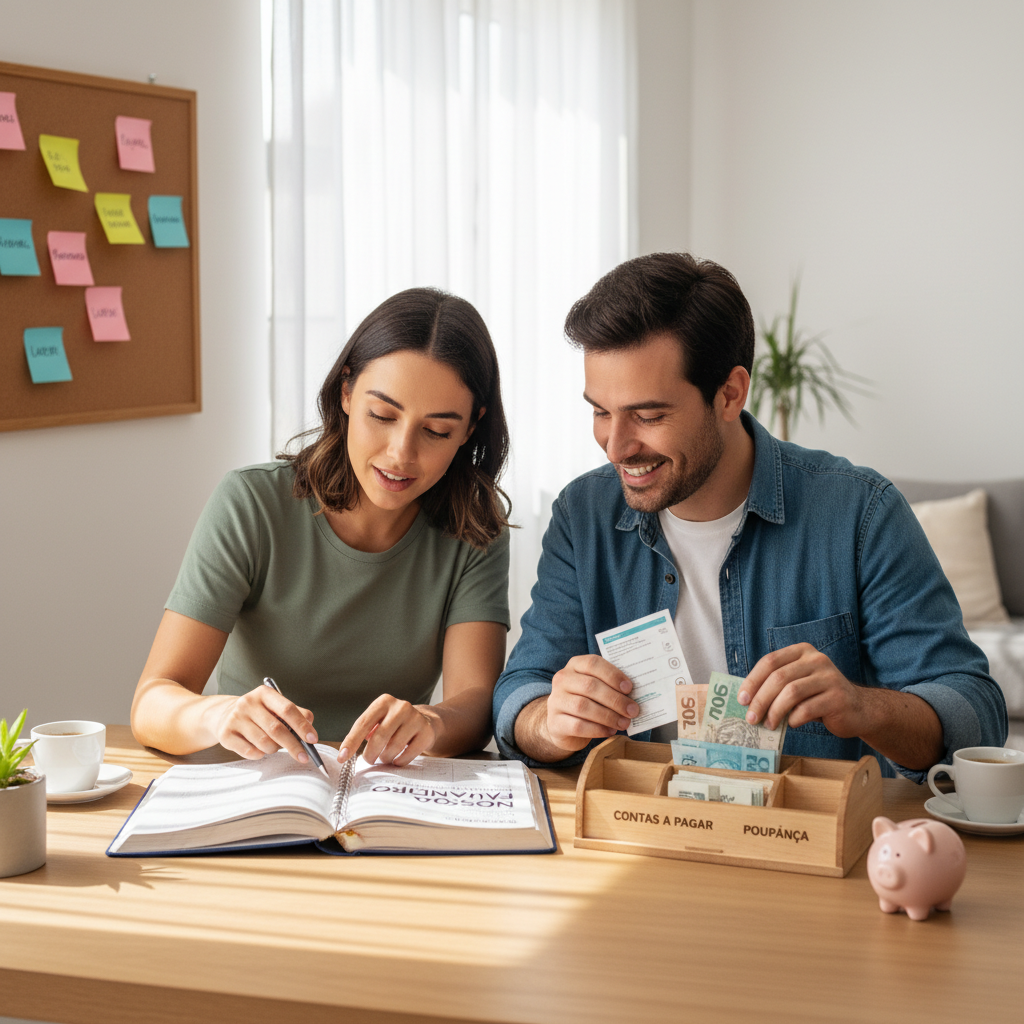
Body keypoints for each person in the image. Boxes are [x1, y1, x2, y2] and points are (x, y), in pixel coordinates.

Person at [493, 252, 1007, 780]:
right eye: (601, 411)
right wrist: (550, 723)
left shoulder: (860, 514)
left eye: (648, 415)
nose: (616, 445)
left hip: (804, 845)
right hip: (639, 834)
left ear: (730, 394)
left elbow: (977, 714)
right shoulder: (583, 517)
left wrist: (862, 707)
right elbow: (519, 693)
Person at [132, 287, 511, 768]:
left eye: (436, 431)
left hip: (386, 794)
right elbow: (151, 703)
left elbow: (475, 709)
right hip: (250, 789)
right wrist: (218, 714)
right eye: (383, 415)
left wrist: (431, 723)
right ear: (346, 392)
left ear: (470, 428)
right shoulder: (252, 504)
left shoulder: (476, 530)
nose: (401, 453)